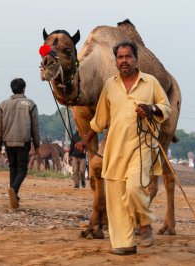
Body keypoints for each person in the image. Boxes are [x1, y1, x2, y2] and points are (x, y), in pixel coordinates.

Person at [75, 40, 172, 255]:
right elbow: (99, 120)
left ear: (136, 59)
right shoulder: (110, 85)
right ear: (116, 61)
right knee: (117, 197)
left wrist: (150, 108)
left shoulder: (151, 83)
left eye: (128, 56)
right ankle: (124, 244)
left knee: (134, 188)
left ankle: (144, 222)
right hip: (115, 149)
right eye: (120, 57)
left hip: (142, 145)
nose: (124, 61)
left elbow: (166, 108)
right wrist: (85, 140)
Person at [0, 78, 40, 208]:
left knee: (13, 168)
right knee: (22, 170)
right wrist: (37, 145)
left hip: (8, 142)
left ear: (12, 89)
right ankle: (14, 190)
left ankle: (14, 196)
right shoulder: (30, 104)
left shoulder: (3, 105)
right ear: (23, 89)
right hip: (23, 142)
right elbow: (35, 127)